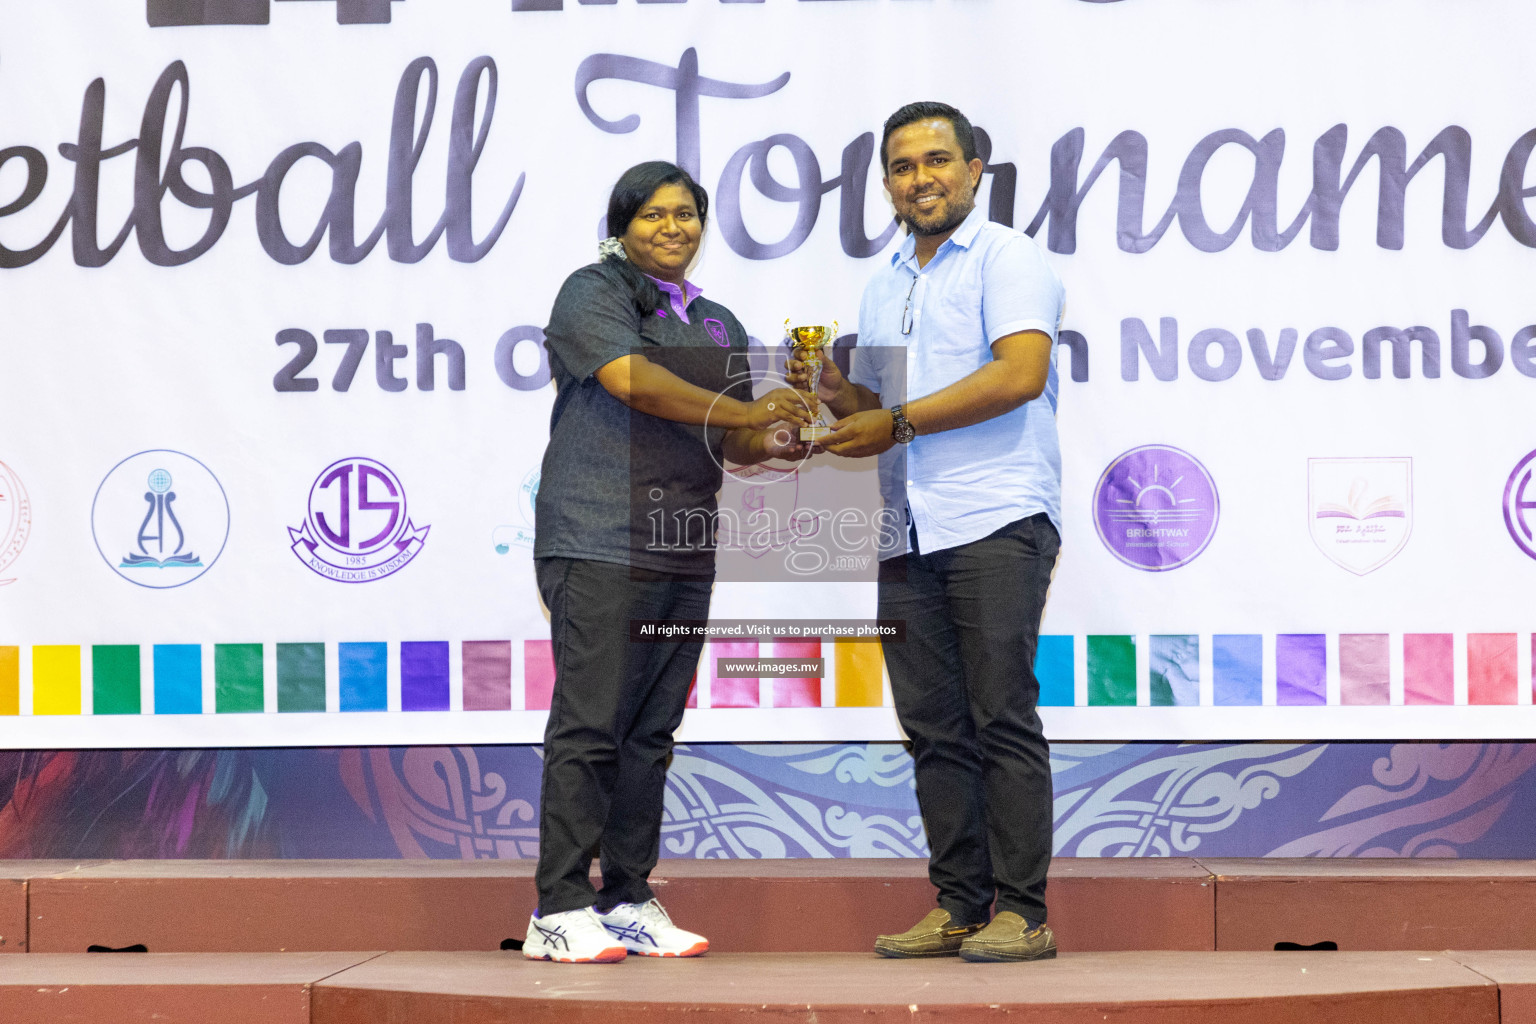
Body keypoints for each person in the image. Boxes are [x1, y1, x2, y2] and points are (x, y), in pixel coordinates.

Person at [525, 161, 815, 963]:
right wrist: (745, 410)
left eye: (686, 214)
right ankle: (557, 906)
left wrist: (787, 428)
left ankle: (625, 895)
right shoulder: (593, 292)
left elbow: (733, 440)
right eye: (652, 215)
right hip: (597, 536)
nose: (672, 228)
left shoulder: (717, 321)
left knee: (651, 728)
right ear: (622, 226)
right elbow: (635, 383)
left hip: (682, 545)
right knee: (591, 723)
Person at [803, 102, 1065, 963]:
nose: (921, 179)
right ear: (886, 183)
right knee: (933, 728)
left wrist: (898, 422)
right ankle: (958, 904)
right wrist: (837, 393)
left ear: (974, 169)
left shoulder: (1009, 257)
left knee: (1000, 718)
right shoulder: (884, 283)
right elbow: (882, 413)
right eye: (903, 166)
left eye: (937, 160)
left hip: (994, 515)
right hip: (904, 528)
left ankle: (1022, 911)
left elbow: (1020, 375)